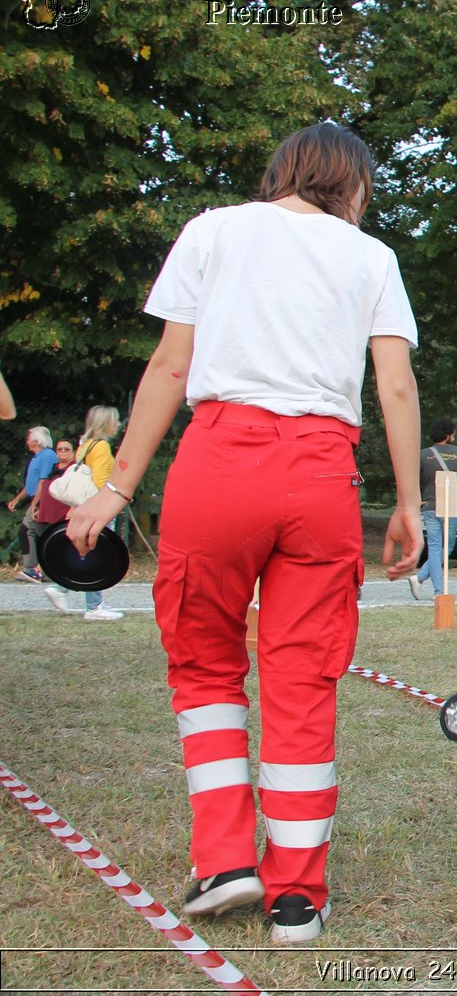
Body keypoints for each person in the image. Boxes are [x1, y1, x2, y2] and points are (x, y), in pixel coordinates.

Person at [65, 122, 422, 944]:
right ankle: (297, 897)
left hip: (218, 461)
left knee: (204, 661)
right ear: (353, 184)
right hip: (321, 472)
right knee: (303, 676)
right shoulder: (371, 259)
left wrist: (117, 486)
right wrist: (407, 501)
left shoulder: (213, 230)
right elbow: (394, 385)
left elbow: (169, 368)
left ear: (283, 171)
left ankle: (225, 861)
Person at [43, 407, 122, 620]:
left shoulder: (85, 446)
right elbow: (100, 480)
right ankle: (94, 607)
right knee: (99, 553)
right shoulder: (102, 447)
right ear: (106, 423)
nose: (118, 424)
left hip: (85, 506)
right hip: (100, 506)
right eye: (115, 421)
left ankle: (61, 588)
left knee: (87, 551)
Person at [407, 417, 457, 599]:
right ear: (448, 434)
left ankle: (419, 579)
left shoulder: (423, 454)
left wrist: (416, 499)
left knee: (434, 547)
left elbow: (408, 477)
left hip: (429, 506)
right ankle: (439, 592)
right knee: (446, 547)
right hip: (450, 506)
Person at [8, 426, 55, 582]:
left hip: (43, 500)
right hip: (36, 499)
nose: (27, 441)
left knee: (26, 530)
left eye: (29, 438)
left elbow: (43, 482)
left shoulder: (47, 456)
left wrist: (35, 504)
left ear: (36, 441)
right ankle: (53, 570)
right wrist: (18, 499)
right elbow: (31, 484)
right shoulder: (36, 457)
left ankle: (31, 569)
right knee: (46, 534)